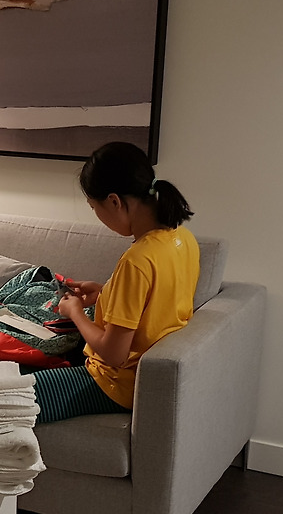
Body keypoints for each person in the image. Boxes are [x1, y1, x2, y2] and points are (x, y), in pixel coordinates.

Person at [32, 141, 200, 423]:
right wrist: (104, 293)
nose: (98, 217)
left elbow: (114, 354)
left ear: (114, 201)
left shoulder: (137, 260)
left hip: (115, 383)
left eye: (93, 207)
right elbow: (155, 303)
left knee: (3, 402)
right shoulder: (182, 239)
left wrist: (75, 312)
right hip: (138, 377)